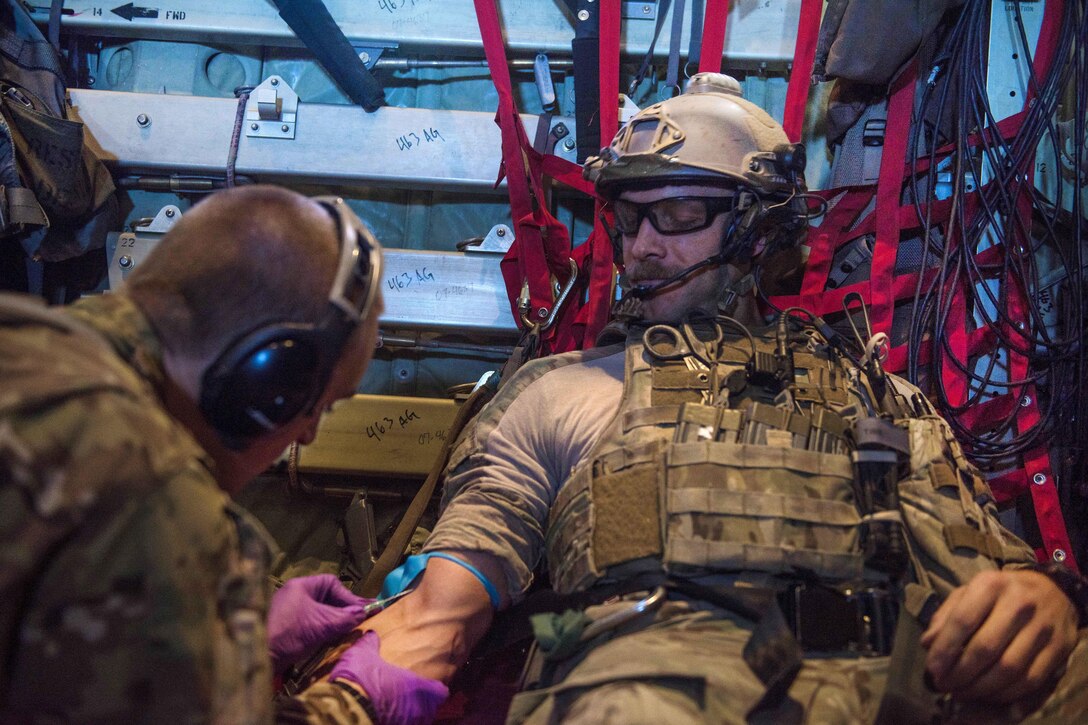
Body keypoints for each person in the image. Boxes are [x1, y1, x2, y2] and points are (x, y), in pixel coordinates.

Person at [358, 74, 1088, 723]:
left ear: (757, 228)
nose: (641, 244)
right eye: (628, 217)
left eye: (675, 215)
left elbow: (993, 579)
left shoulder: (877, 398)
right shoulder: (559, 393)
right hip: (656, 680)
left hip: (873, 682)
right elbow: (438, 615)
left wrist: (1047, 602)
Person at [0, 185, 445, 723]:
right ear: (265, 384)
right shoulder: (150, 492)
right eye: (320, 407)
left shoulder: (26, 351)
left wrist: (240, 644)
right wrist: (353, 705)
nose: (305, 439)